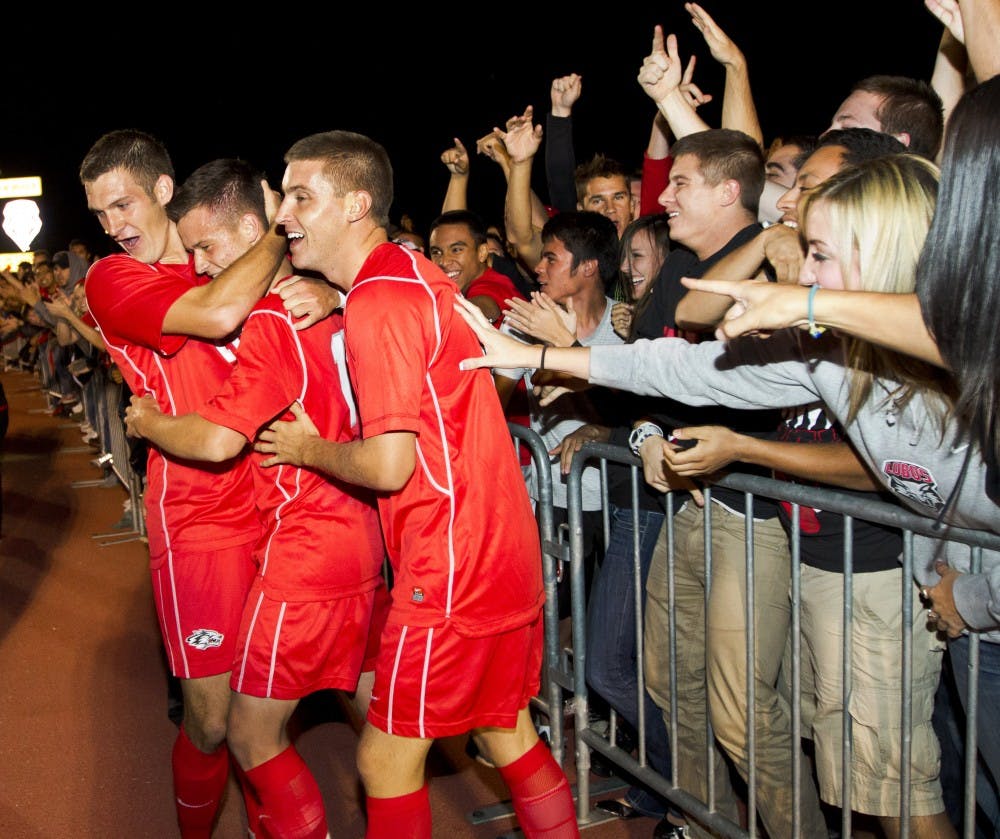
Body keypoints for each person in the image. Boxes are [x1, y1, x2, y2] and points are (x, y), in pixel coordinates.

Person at [255, 129, 578, 839]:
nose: (284, 215)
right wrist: (331, 296)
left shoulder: (379, 302)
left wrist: (308, 447)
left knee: (383, 764)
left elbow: (389, 464)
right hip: (499, 549)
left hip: (451, 568)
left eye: (302, 196)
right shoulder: (402, 273)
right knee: (506, 733)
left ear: (356, 203)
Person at [122, 157, 386, 839]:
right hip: (364, 535)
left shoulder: (274, 318)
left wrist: (148, 423)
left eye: (207, 246)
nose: (200, 264)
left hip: (304, 545)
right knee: (396, 730)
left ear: (254, 226)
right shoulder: (346, 293)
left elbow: (216, 441)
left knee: (248, 733)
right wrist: (336, 295)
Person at [78, 129, 319, 837]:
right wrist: (279, 232)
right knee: (212, 722)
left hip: (282, 502)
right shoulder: (112, 278)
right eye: (99, 214)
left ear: (162, 189)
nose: (114, 226)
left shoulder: (213, 250)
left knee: (278, 706)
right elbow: (220, 313)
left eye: (122, 204)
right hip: (198, 521)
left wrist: (325, 292)